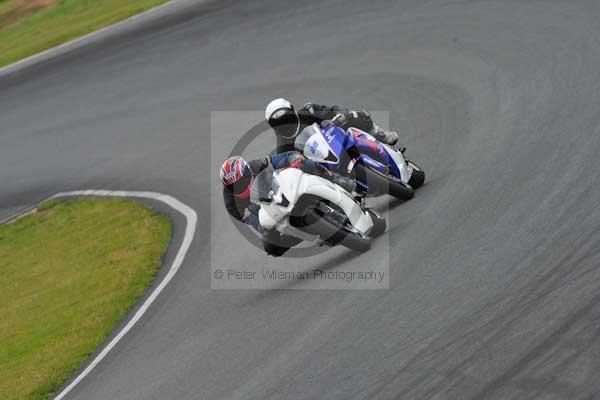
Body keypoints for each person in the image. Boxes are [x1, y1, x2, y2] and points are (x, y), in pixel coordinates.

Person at [220, 152, 356, 257]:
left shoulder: (256, 165)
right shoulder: (231, 201)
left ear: (247, 171)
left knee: (306, 164)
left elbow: (282, 158)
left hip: (282, 189)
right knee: (271, 247)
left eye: (241, 180)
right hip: (267, 210)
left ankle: (339, 181)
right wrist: (259, 224)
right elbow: (247, 218)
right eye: (234, 185)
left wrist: (294, 159)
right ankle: (307, 233)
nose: (239, 185)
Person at [265, 98, 399, 152]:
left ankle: (379, 135)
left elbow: (334, 109)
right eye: (279, 122)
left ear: (293, 111)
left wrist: (339, 115)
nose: (285, 123)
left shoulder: (308, 111)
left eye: (286, 118)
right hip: (322, 163)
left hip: (334, 138)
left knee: (357, 116)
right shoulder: (283, 148)